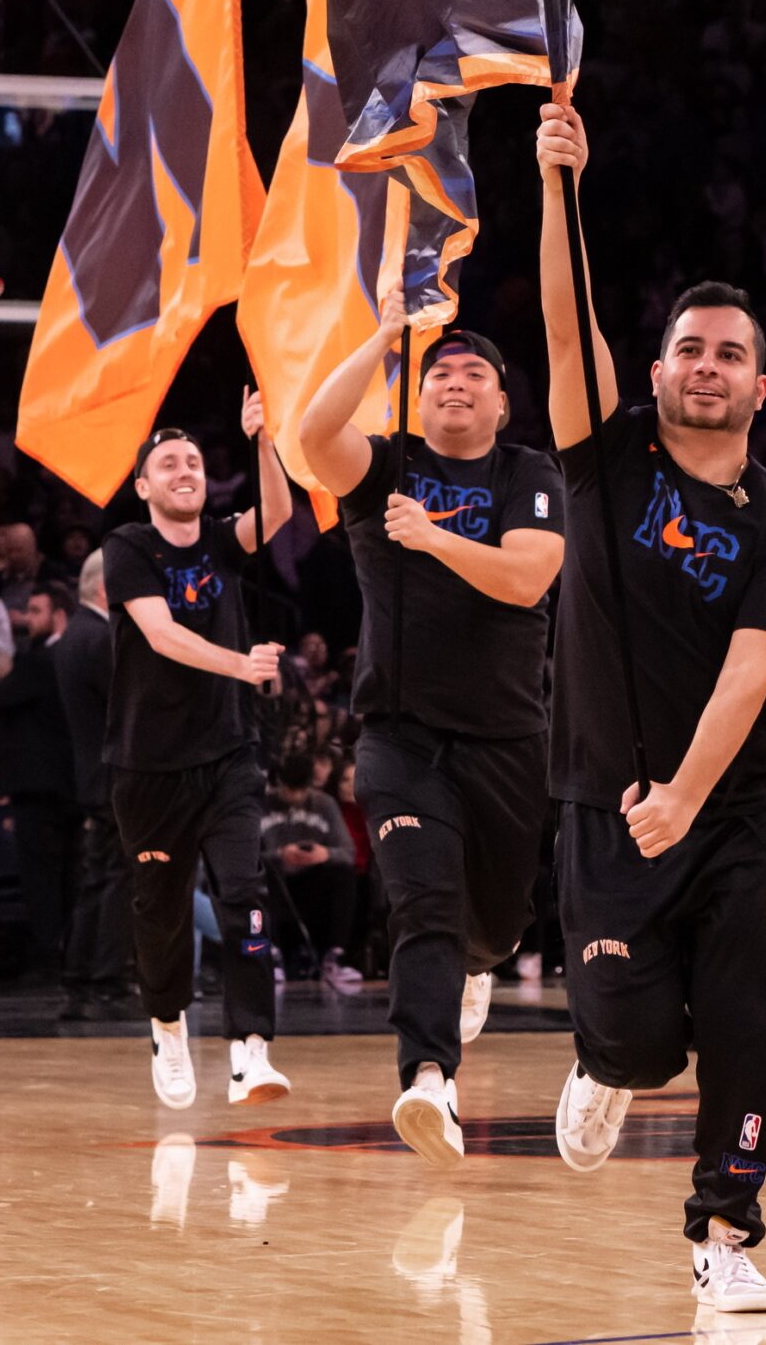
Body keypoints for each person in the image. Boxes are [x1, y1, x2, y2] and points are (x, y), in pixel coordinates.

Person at [537, 102, 766, 1316]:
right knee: (646, 1041)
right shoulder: (603, 464)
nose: (705, 367)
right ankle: (606, 1065)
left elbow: (751, 671)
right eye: (687, 349)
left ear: (761, 383)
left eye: (728, 354)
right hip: (604, 803)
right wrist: (559, 192)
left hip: (737, 807)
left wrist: (691, 797)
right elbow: (564, 328)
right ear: (653, 371)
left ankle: (724, 1228)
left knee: (744, 1023)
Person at [296, 280, 566, 1166]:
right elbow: (309, 434)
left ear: (501, 398)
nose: (457, 381)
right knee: (423, 902)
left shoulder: (529, 475)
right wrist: (382, 331)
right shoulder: (385, 469)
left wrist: (434, 538)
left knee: (493, 920)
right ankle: (428, 1078)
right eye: (442, 370)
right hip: (400, 736)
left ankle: (478, 967)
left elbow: (527, 579)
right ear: (418, 393)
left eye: (475, 373)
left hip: (507, 737)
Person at [105, 391, 293, 1113]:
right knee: (160, 911)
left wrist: (265, 441)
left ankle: (251, 1050)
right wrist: (241, 662)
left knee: (244, 895)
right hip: (148, 764)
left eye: (194, 460)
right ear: (145, 485)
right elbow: (161, 635)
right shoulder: (127, 547)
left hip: (227, 754)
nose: (185, 469)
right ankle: (167, 1024)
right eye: (168, 463)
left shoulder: (218, 538)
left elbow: (274, 517)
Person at [0, 581, 81, 978]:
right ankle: (69, 954)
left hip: (40, 788)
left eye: (36, 611)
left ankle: (46, 958)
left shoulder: (40, 662)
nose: (27, 619)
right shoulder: (76, 656)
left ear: (59, 616)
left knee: (42, 877)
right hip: (71, 785)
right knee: (69, 875)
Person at [55, 548, 134, 1021]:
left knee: (98, 878)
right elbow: (129, 706)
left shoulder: (72, 635)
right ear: (107, 587)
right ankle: (106, 981)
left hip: (91, 773)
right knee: (115, 881)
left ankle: (82, 976)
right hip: (113, 775)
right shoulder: (101, 636)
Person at [259, 753, 364, 988]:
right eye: (289, 790)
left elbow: (348, 852)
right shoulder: (260, 804)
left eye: (300, 790)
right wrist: (279, 855)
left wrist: (324, 854)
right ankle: (267, 956)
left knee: (343, 873)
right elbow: (245, 858)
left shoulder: (324, 803)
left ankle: (334, 957)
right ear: (277, 784)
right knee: (261, 877)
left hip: (312, 884)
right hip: (277, 883)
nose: (295, 797)